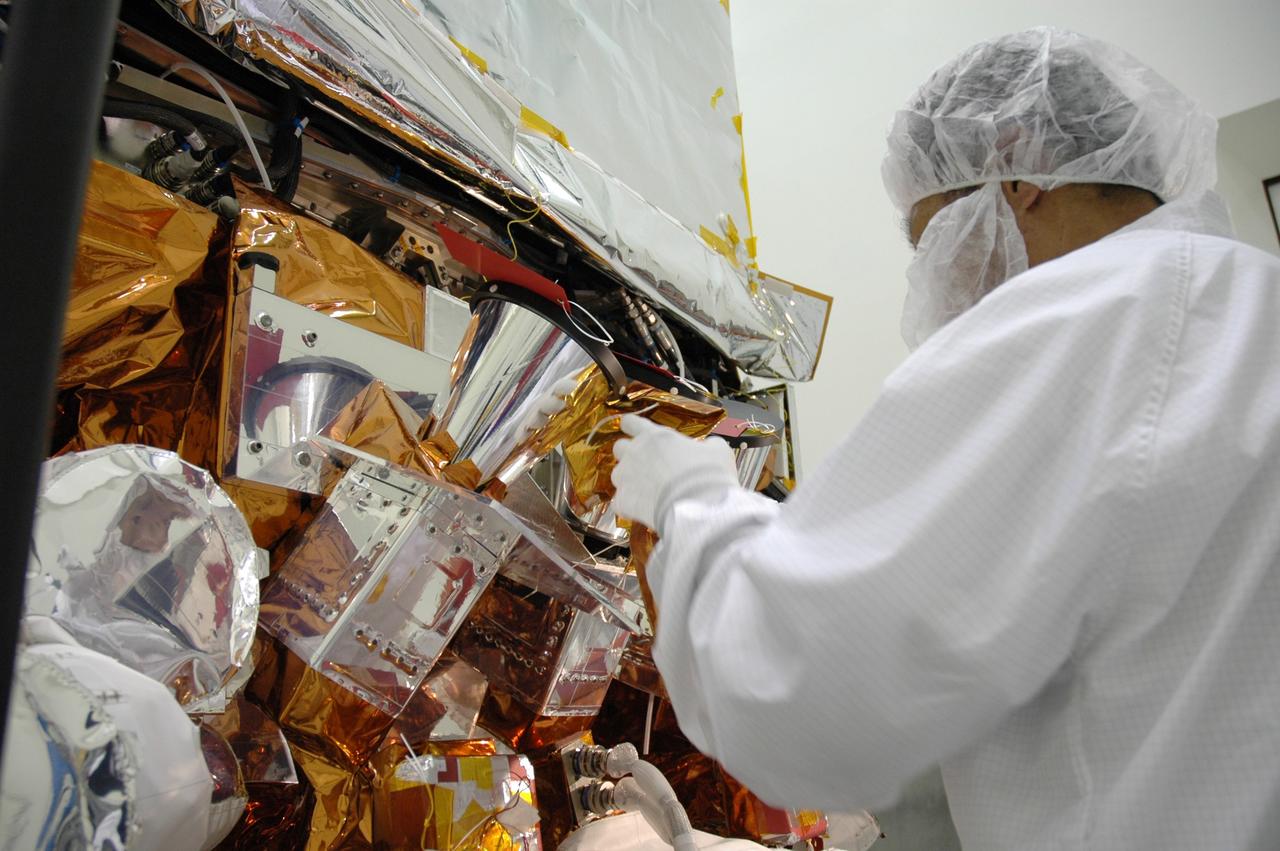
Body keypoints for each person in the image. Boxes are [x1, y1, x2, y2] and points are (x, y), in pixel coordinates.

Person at [610, 26, 1280, 850]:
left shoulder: (1073, 324)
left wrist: (690, 500)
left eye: (933, 238)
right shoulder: (1245, 299)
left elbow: (806, 698)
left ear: (1018, 168)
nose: (934, 277)